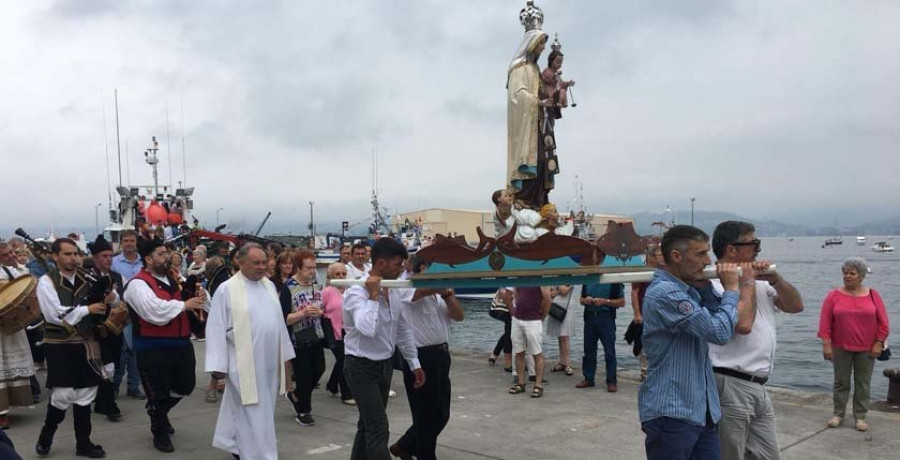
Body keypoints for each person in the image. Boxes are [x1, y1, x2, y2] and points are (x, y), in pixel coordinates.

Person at [639, 225, 746, 460]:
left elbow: (722, 319)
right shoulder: (666, 293)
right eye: (700, 254)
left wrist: (707, 288)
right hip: (672, 413)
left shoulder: (689, 291)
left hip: (701, 411)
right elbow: (719, 332)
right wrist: (731, 289)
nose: (707, 261)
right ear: (677, 256)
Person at [708, 222, 804, 459]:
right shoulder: (711, 285)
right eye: (753, 243)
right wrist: (747, 282)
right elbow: (743, 325)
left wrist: (775, 279)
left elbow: (795, 306)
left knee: (767, 455)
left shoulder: (761, 281)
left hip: (758, 383)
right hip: (729, 381)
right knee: (730, 454)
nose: (758, 249)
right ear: (731, 249)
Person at [206, 243, 295, 460]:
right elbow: (216, 327)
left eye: (264, 262)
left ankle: (235, 443)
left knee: (256, 411)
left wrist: (286, 359)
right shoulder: (227, 289)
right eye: (256, 263)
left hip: (269, 364)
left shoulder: (269, 286)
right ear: (240, 262)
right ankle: (261, 455)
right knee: (254, 411)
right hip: (243, 364)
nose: (262, 267)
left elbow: (278, 324)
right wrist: (218, 367)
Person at [123, 237, 208, 452]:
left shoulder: (175, 278)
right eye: (161, 254)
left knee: (185, 386)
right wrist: (184, 305)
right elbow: (154, 312)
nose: (167, 257)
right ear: (149, 259)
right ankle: (159, 431)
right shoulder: (137, 284)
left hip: (180, 343)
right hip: (153, 347)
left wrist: (198, 295)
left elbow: (192, 300)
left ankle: (157, 412)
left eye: (166, 253)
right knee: (158, 392)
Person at [343, 238, 423, 460]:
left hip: (384, 365)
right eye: (398, 264)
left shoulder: (394, 289)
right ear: (381, 263)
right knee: (378, 427)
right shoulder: (356, 291)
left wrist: (413, 362)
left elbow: (402, 328)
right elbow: (367, 328)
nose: (402, 269)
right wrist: (373, 296)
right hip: (360, 366)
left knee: (367, 424)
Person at [34, 238, 107, 458]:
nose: (73, 258)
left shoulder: (89, 278)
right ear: (55, 257)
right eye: (67, 254)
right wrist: (87, 309)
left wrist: (110, 299)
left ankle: (83, 444)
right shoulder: (47, 281)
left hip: (87, 343)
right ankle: (47, 434)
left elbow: (106, 303)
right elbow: (54, 314)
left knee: (86, 393)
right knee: (63, 393)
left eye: (75, 254)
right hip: (60, 345)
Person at [388, 256, 464, 460]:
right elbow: (418, 293)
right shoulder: (404, 284)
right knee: (425, 415)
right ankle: (425, 455)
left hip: (441, 354)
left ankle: (404, 445)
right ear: (423, 268)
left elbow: (458, 315)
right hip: (420, 357)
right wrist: (440, 286)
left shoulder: (440, 293)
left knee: (441, 412)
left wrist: (447, 295)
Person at [818, 257, 889, 432]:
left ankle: (860, 416)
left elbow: (884, 323)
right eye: (845, 272)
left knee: (863, 383)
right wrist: (826, 345)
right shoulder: (833, 295)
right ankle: (838, 414)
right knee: (841, 382)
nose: (847, 276)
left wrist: (879, 342)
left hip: (867, 347)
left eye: (852, 273)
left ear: (861, 276)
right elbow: (825, 323)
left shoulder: (873, 294)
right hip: (840, 346)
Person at [507, 14, 554, 210]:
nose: (543, 48)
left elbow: (544, 90)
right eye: (541, 44)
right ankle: (525, 199)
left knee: (544, 163)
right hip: (528, 126)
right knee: (534, 159)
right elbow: (517, 95)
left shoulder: (535, 70)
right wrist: (538, 102)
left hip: (541, 125)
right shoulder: (520, 68)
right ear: (532, 43)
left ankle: (539, 201)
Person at [280, 250, 327, 426]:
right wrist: (302, 313)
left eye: (314, 267)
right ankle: (303, 410)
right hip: (297, 338)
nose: (312, 271)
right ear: (298, 268)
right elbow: (284, 318)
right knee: (304, 374)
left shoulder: (315, 284)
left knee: (319, 369)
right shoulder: (289, 287)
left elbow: (322, 309)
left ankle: (297, 394)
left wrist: (319, 312)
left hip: (315, 334)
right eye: (308, 268)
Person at [86, 235, 127, 423]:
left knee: (113, 364)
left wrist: (116, 300)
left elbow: (123, 300)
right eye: (104, 256)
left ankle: (102, 402)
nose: (108, 259)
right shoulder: (87, 276)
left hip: (113, 328)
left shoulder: (116, 276)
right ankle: (110, 404)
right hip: (93, 329)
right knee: (105, 366)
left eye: (110, 255)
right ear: (95, 258)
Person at [0, 242, 36, 430]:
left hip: (13, 328)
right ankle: (1, 413)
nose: (11, 256)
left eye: (11, 253)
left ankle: (9, 406)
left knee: (10, 368)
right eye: (5, 255)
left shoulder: (17, 271)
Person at [110, 230, 144, 401]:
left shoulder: (144, 262)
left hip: (140, 310)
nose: (129, 243)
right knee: (122, 351)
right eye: (126, 241)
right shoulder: (114, 262)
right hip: (121, 310)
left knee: (136, 350)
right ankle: (115, 386)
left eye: (132, 240)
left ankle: (133, 386)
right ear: (121, 243)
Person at [575, 280, 625, 392]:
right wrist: (586, 301)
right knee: (588, 350)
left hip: (606, 318)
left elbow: (622, 302)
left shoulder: (614, 281)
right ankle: (588, 378)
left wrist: (605, 301)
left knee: (609, 351)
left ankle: (611, 381)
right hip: (590, 317)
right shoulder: (588, 280)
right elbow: (581, 300)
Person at [508, 286, 550, 398]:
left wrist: (542, 316)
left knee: (537, 353)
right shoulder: (520, 276)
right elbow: (516, 291)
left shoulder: (540, 278)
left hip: (533, 319)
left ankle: (538, 385)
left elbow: (547, 298)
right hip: (518, 318)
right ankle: (521, 383)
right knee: (519, 352)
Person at [321, 262, 354, 404]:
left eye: (343, 273)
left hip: (348, 330)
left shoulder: (351, 290)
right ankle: (346, 394)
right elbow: (320, 309)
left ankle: (332, 385)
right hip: (333, 330)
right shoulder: (327, 291)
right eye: (337, 274)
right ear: (330, 276)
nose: (341, 276)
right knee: (344, 360)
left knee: (343, 359)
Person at [630, 244, 664, 380]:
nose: (662, 258)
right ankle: (645, 373)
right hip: (645, 312)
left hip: (660, 313)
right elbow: (634, 292)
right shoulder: (640, 270)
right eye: (660, 255)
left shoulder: (663, 270)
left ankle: (659, 371)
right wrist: (637, 313)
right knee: (644, 344)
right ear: (651, 256)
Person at [546, 285, 577, 377]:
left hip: (566, 307)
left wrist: (557, 291)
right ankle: (562, 361)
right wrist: (556, 292)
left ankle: (567, 363)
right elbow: (549, 293)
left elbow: (564, 291)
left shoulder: (568, 277)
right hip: (555, 306)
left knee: (564, 336)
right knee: (560, 336)